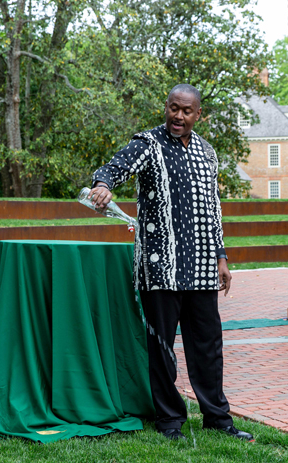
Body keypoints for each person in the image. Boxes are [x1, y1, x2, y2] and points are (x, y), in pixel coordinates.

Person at [88, 84, 253, 442]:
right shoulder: (147, 143)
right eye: (174, 108)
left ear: (198, 114)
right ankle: (169, 419)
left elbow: (213, 210)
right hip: (160, 267)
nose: (179, 116)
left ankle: (217, 417)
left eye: (187, 111)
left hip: (203, 267)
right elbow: (116, 166)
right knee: (162, 347)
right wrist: (103, 184)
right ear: (166, 107)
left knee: (208, 345)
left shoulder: (207, 153)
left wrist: (222, 257)